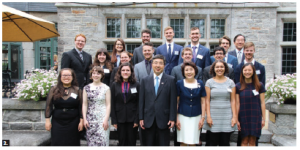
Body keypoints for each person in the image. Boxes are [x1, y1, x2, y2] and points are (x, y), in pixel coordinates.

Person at [139, 54, 177, 146]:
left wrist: (172, 118)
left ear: (164, 65)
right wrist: (141, 117)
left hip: (164, 119)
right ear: (152, 64)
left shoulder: (171, 80)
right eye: (155, 63)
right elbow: (141, 100)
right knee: (148, 144)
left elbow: (173, 101)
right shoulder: (145, 80)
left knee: (163, 144)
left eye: (160, 63)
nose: (158, 65)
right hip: (148, 118)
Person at [234, 42, 266, 146]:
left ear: (253, 71)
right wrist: (236, 118)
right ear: (242, 71)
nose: (247, 72)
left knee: (253, 141)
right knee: (243, 141)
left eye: (250, 70)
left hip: (255, 115)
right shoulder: (238, 86)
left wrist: (263, 118)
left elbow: (262, 102)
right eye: (245, 70)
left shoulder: (259, 85)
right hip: (243, 115)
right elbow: (237, 103)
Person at [45, 68, 83, 146]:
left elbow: (81, 107)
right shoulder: (54, 89)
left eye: (69, 75)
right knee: (57, 142)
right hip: (57, 122)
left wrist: (81, 121)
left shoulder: (78, 90)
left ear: (73, 77)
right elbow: (49, 105)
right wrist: (47, 121)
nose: (66, 77)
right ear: (60, 77)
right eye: (64, 75)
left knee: (72, 142)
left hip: (73, 122)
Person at [203, 60, 237, 146]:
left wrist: (234, 116)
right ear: (213, 69)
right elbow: (207, 100)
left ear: (225, 68)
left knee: (225, 142)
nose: (219, 69)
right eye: (217, 67)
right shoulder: (209, 82)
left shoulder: (231, 82)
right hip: (213, 115)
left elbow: (233, 100)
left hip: (227, 115)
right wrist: (208, 116)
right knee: (212, 142)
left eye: (221, 67)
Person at [176, 61, 206, 146]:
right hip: (182, 116)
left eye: (191, 70)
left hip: (196, 117)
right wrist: (176, 118)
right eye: (186, 70)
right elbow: (176, 102)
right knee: (183, 142)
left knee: (193, 141)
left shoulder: (200, 83)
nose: (189, 72)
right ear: (183, 72)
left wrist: (202, 118)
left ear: (195, 71)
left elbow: (203, 102)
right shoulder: (179, 83)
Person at [111, 62, 140, 146]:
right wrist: (114, 120)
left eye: (128, 70)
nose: (125, 72)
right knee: (122, 141)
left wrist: (137, 119)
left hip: (132, 118)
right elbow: (112, 103)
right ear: (120, 72)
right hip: (120, 118)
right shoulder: (114, 85)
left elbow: (139, 103)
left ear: (131, 72)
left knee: (132, 142)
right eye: (123, 70)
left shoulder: (136, 84)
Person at [82, 66, 111, 146]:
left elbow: (108, 105)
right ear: (91, 75)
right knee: (91, 142)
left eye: (98, 73)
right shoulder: (86, 88)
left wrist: (106, 119)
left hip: (102, 119)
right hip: (90, 119)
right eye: (94, 73)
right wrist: (84, 119)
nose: (96, 75)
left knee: (103, 141)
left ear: (102, 75)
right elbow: (84, 104)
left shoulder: (106, 88)